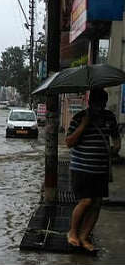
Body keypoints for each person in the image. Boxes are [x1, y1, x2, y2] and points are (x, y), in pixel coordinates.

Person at [66, 88, 120, 251]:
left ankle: (84, 236)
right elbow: (69, 142)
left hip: (101, 169)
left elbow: (116, 137)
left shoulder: (109, 117)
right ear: (90, 103)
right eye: (96, 104)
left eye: (102, 104)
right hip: (81, 168)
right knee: (86, 200)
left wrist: (116, 147)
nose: (99, 107)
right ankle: (73, 233)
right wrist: (84, 124)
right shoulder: (79, 117)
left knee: (96, 203)